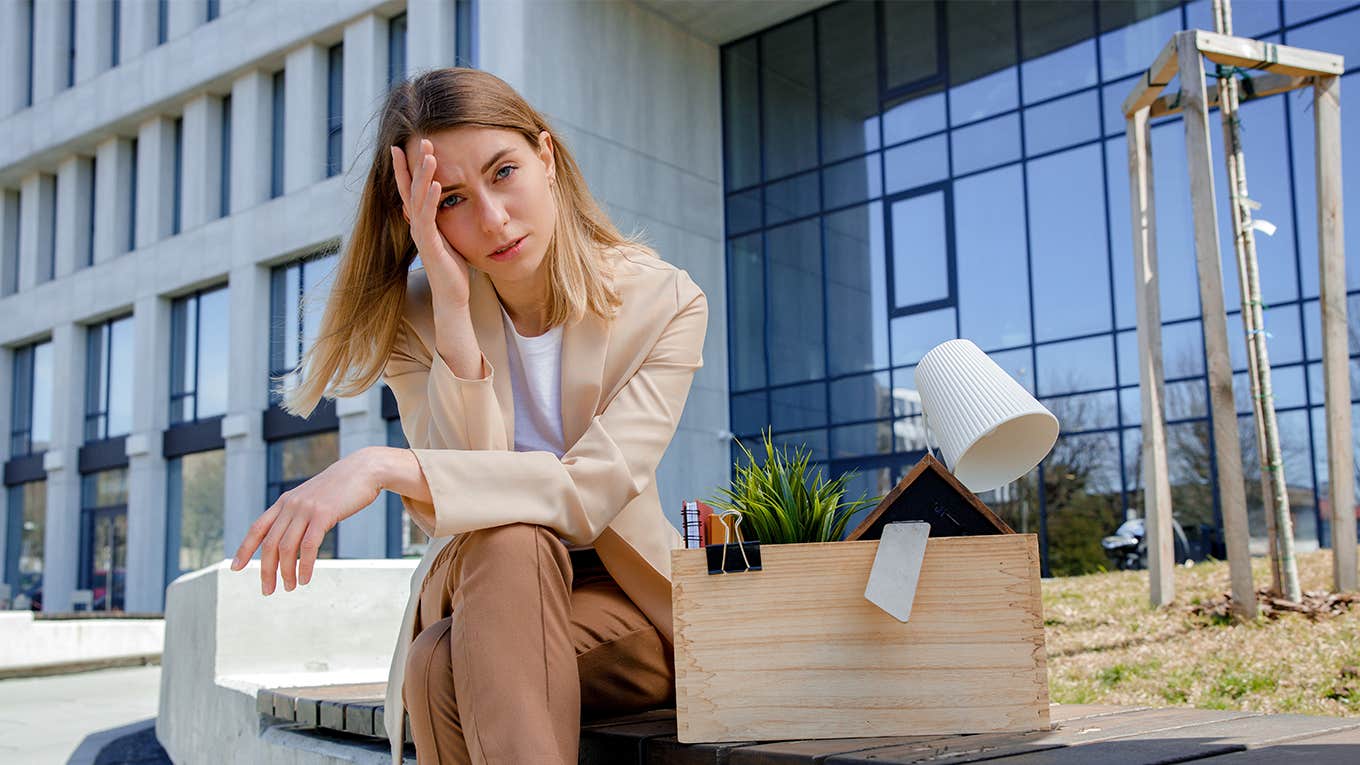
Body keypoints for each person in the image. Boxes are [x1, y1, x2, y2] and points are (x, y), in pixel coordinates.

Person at [228, 67, 708, 765]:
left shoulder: (664, 302)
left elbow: (589, 493)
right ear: (420, 215)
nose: (491, 218)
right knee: (508, 540)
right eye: (452, 199)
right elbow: (465, 512)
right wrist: (454, 316)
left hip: (623, 600)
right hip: (480, 577)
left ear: (546, 158)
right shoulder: (413, 321)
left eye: (503, 171)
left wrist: (383, 464)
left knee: (435, 667)